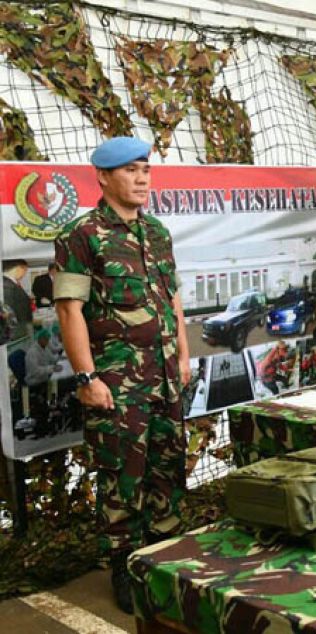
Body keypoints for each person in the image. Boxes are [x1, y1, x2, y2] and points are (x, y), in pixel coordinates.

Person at [54, 136, 190, 613]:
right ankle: (125, 566)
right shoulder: (82, 235)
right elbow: (70, 310)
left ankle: (166, 560)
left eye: (146, 171)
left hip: (166, 376)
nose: (142, 179)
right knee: (122, 477)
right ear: (104, 177)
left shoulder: (157, 233)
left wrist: (184, 356)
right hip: (116, 384)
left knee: (167, 470)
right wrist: (85, 378)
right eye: (131, 171)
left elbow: (171, 299)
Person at [2, 258, 32, 338]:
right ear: (18, 268)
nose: (25, 274)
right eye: (25, 270)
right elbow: (8, 311)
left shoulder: (11, 283)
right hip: (16, 331)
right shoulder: (6, 285)